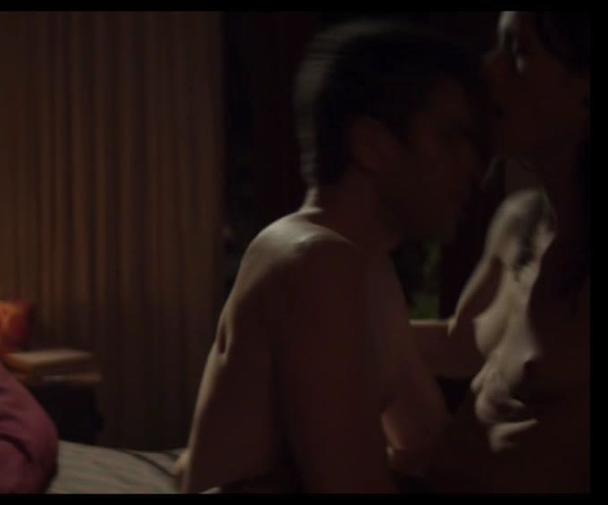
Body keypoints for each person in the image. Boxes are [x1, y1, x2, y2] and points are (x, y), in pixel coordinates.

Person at [174, 21, 483, 493]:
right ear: (372, 146)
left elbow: (424, 442)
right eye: (448, 138)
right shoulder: (314, 261)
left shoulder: (368, 265)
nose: (471, 164)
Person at [413, 11, 589, 493]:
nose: (489, 70)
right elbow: (461, 342)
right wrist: (328, 326)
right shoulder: (520, 220)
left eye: (519, 52)